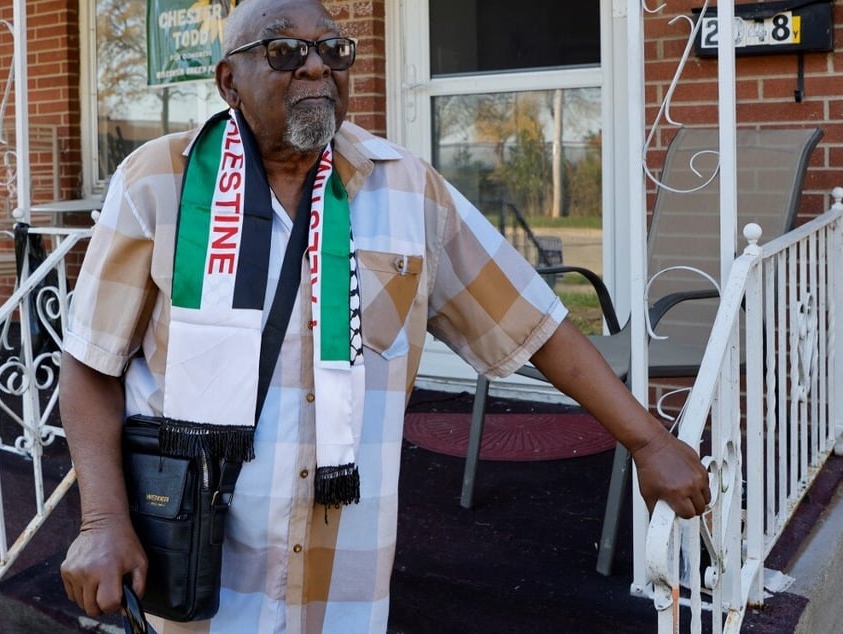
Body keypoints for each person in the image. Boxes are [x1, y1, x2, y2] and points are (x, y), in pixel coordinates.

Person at [59, 0, 711, 631]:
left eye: (333, 49)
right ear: (229, 79)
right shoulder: (160, 181)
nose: (316, 66)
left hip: (344, 575)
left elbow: (534, 323)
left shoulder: (406, 190)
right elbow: (91, 365)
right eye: (284, 50)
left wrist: (647, 440)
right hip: (192, 565)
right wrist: (101, 520)